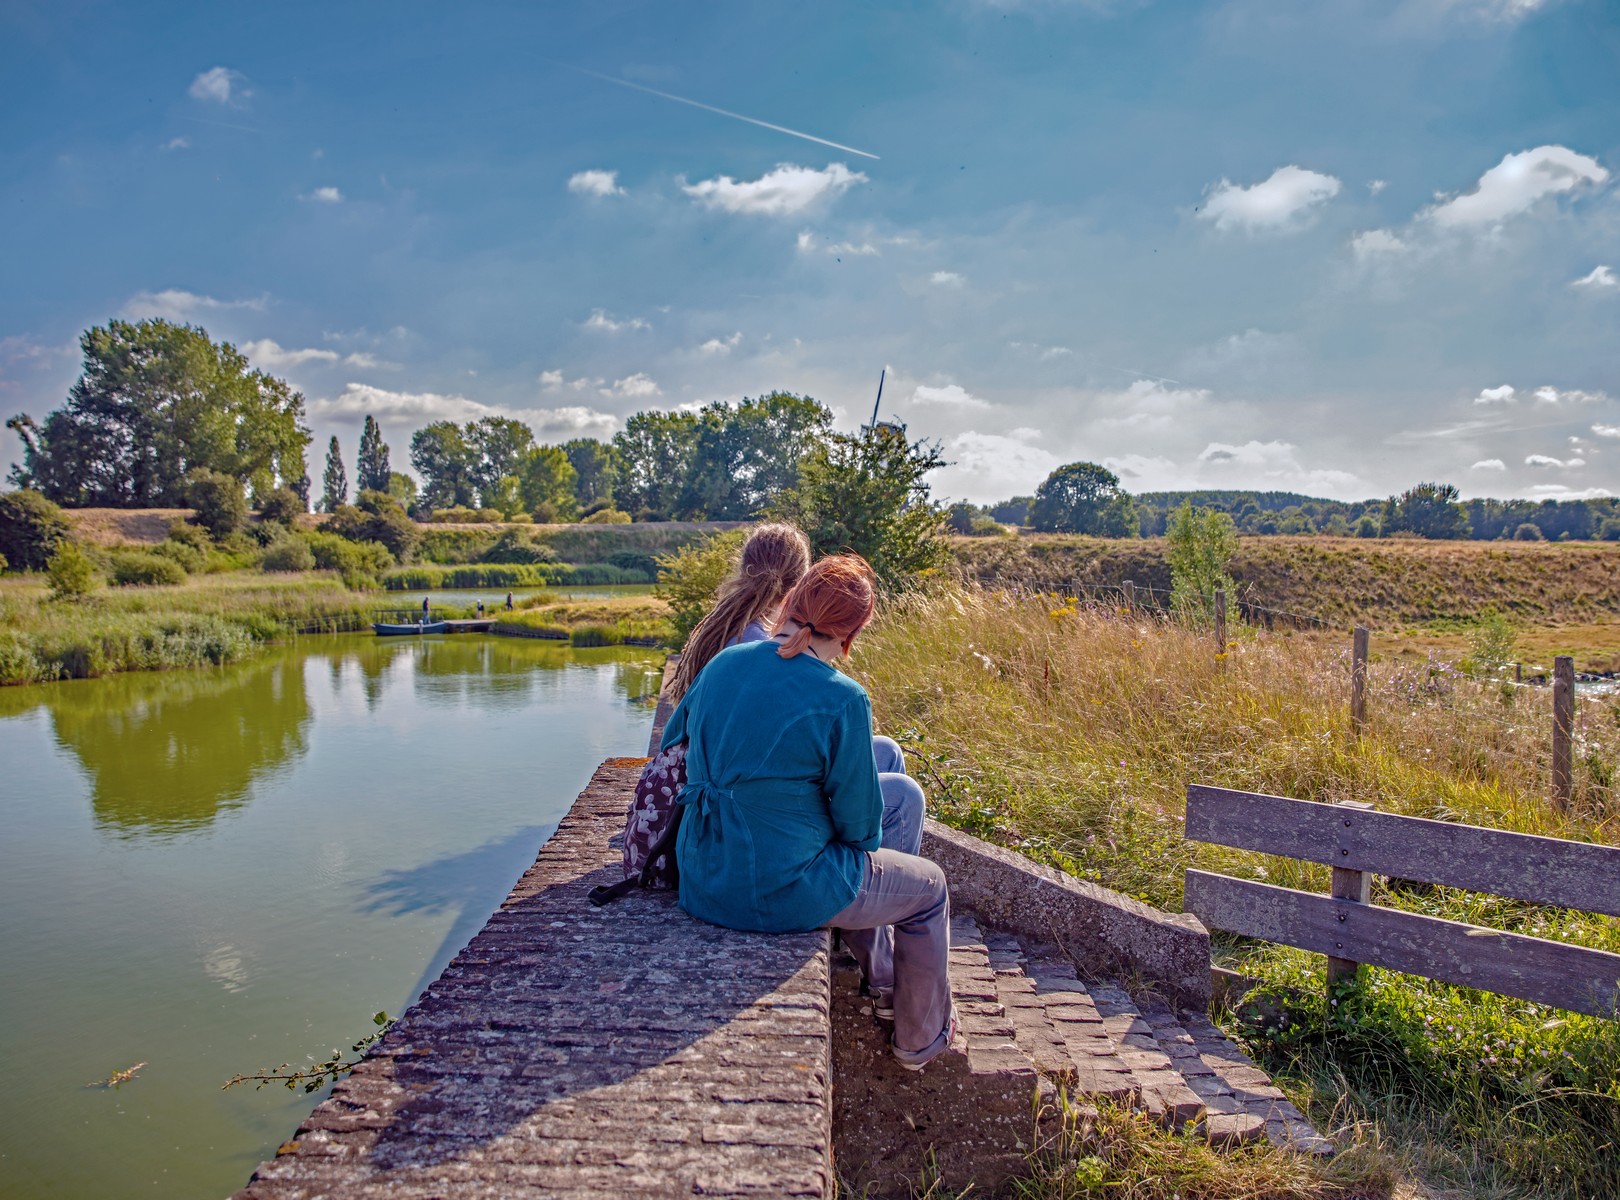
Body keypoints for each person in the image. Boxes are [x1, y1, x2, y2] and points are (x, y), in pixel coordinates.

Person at [659, 555, 956, 1070]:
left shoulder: (725, 663)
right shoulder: (841, 697)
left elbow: (672, 749)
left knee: (887, 795)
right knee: (930, 890)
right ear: (852, 634)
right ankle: (919, 1040)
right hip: (774, 891)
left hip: (703, 875)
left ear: (791, 603)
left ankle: (875, 961)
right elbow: (862, 829)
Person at [666, 523, 922, 856]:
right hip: (746, 806)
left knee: (886, 752)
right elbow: (774, 760)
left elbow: (670, 740)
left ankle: (873, 876)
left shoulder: (728, 630)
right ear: (798, 586)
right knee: (901, 797)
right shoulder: (760, 646)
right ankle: (865, 882)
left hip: (720, 781)